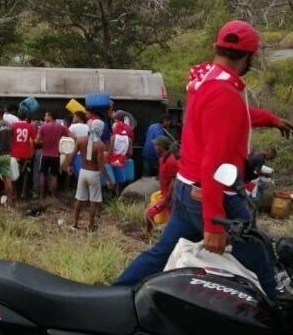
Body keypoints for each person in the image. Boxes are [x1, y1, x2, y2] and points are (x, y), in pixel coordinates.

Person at [114, 20, 293, 300]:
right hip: (211, 195)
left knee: (161, 253)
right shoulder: (224, 94)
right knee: (260, 260)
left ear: (217, 48)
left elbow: (237, 114)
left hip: (187, 190)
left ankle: (111, 297)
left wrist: (271, 120)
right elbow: (214, 164)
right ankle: (279, 316)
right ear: (249, 56)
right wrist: (213, 225)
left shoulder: (207, 79)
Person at [69, 119, 114, 232]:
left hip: (83, 172)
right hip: (93, 174)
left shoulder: (81, 140)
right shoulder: (100, 145)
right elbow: (101, 165)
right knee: (93, 201)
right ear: (100, 130)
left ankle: (75, 224)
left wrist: (69, 166)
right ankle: (90, 226)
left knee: (79, 199)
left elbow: (73, 155)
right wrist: (109, 179)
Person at [35, 111, 75, 200]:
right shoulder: (61, 127)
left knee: (42, 174)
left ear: (50, 116)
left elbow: (37, 141)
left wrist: (44, 141)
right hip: (56, 155)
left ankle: (41, 196)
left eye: (46, 116)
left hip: (45, 154)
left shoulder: (43, 127)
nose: (44, 118)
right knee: (54, 176)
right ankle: (53, 196)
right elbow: (73, 136)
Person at [144, 136, 178, 234]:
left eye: (156, 145)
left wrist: (166, 198)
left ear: (161, 147)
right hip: (165, 195)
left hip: (169, 197)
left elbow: (174, 181)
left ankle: (147, 234)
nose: (154, 148)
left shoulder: (171, 161)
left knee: (149, 213)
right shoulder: (162, 159)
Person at [11, 109, 37, 198]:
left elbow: (10, 139)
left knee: (14, 171)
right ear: (26, 117)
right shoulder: (30, 126)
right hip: (27, 153)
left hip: (15, 153)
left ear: (17, 117)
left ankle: (14, 192)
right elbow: (34, 140)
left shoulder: (13, 126)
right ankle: (23, 192)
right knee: (26, 173)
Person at [108, 121, 133, 194]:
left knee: (112, 178)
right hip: (122, 162)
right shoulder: (129, 140)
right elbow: (130, 153)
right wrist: (125, 158)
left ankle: (112, 194)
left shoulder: (113, 138)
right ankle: (119, 194)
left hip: (112, 161)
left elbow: (110, 151)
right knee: (121, 179)